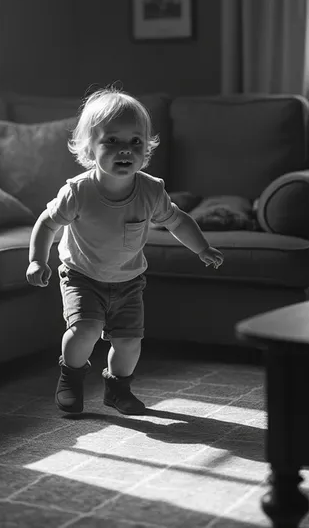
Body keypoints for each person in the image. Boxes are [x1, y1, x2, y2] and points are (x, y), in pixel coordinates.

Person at [26, 86, 224, 416]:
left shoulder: (150, 190)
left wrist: (201, 247)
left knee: (129, 342)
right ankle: (70, 379)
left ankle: (118, 389)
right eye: (112, 141)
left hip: (129, 281)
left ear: (146, 148)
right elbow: (47, 223)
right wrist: (37, 260)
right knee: (84, 331)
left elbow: (177, 221)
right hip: (82, 276)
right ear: (89, 148)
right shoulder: (78, 192)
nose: (125, 150)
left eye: (135, 142)